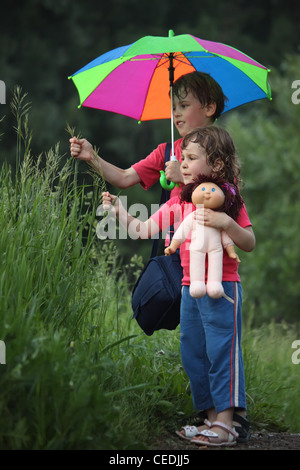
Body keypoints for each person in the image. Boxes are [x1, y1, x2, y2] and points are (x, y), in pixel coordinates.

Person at [101, 126, 255, 447]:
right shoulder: (180, 203)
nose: (182, 163)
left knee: (220, 350)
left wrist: (226, 223)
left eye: (192, 158)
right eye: (182, 157)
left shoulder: (227, 201)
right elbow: (144, 230)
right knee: (193, 351)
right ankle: (211, 419)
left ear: (216, 166)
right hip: (190, 288)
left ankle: (227, 423)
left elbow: (249, 241)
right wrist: (119, 211)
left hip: (222, 287)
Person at [69, 71, 227, 198]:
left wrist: (184, 178)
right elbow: (124, 178)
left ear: (209, 108)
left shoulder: (221, 149)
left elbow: (228, 196)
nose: (176, 114)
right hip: (174, 238)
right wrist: (91, 156)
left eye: (184, 106)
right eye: (173, 108)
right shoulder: (166, 152)